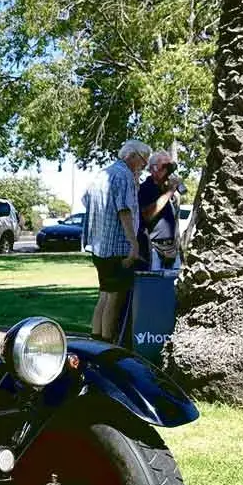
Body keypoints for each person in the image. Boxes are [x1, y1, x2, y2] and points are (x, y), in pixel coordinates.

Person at [81, 139, 150, 341]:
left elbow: (85, 200)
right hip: (117, 248)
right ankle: (107, 343)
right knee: (114, 298)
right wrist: (134, 244)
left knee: (104, 294)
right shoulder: (123, 175)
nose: (143, 167)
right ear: (133, 156)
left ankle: (96, 339)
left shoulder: (102, 174)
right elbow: (124, 210)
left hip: (98, 246)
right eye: (143, 161)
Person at [137, 150, 183, 271]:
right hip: (153, 248)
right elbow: (147, 215)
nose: (168, 171)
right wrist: (169, 192)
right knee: (154, 281)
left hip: (172, 247)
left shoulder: (166, 189)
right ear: (153, 168)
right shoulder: (145, 188)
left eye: (171, 168)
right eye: (165, 167)